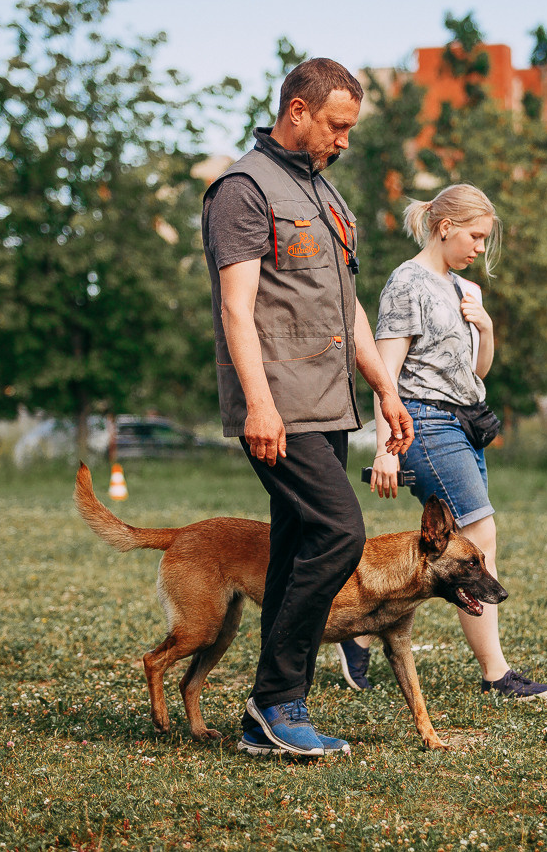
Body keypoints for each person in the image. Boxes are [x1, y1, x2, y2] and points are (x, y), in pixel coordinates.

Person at [202, 57, 414, 758]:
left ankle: (267, 719)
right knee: (339, 533)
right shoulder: (243, 189)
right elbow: (237, 309)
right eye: (337, 124)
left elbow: (345, 304)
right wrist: (259, 405)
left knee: (297, 545)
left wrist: (384, 387)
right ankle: (276, 700)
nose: (345, 140)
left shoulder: (325, 194)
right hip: (280, 405)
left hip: (331, 404)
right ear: (297, 111)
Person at [336, 184, 547, 701]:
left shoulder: (465, 290)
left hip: (467, 422)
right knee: (480, 539)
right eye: (475, 236)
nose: (480, 248)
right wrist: (386, 448)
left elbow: (476, 372)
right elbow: (384, 374)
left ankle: (360, 633)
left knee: (458, 544)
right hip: (425, 424)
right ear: (445, 226)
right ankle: (497, 676)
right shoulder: (407, 283)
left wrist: (488, 327)